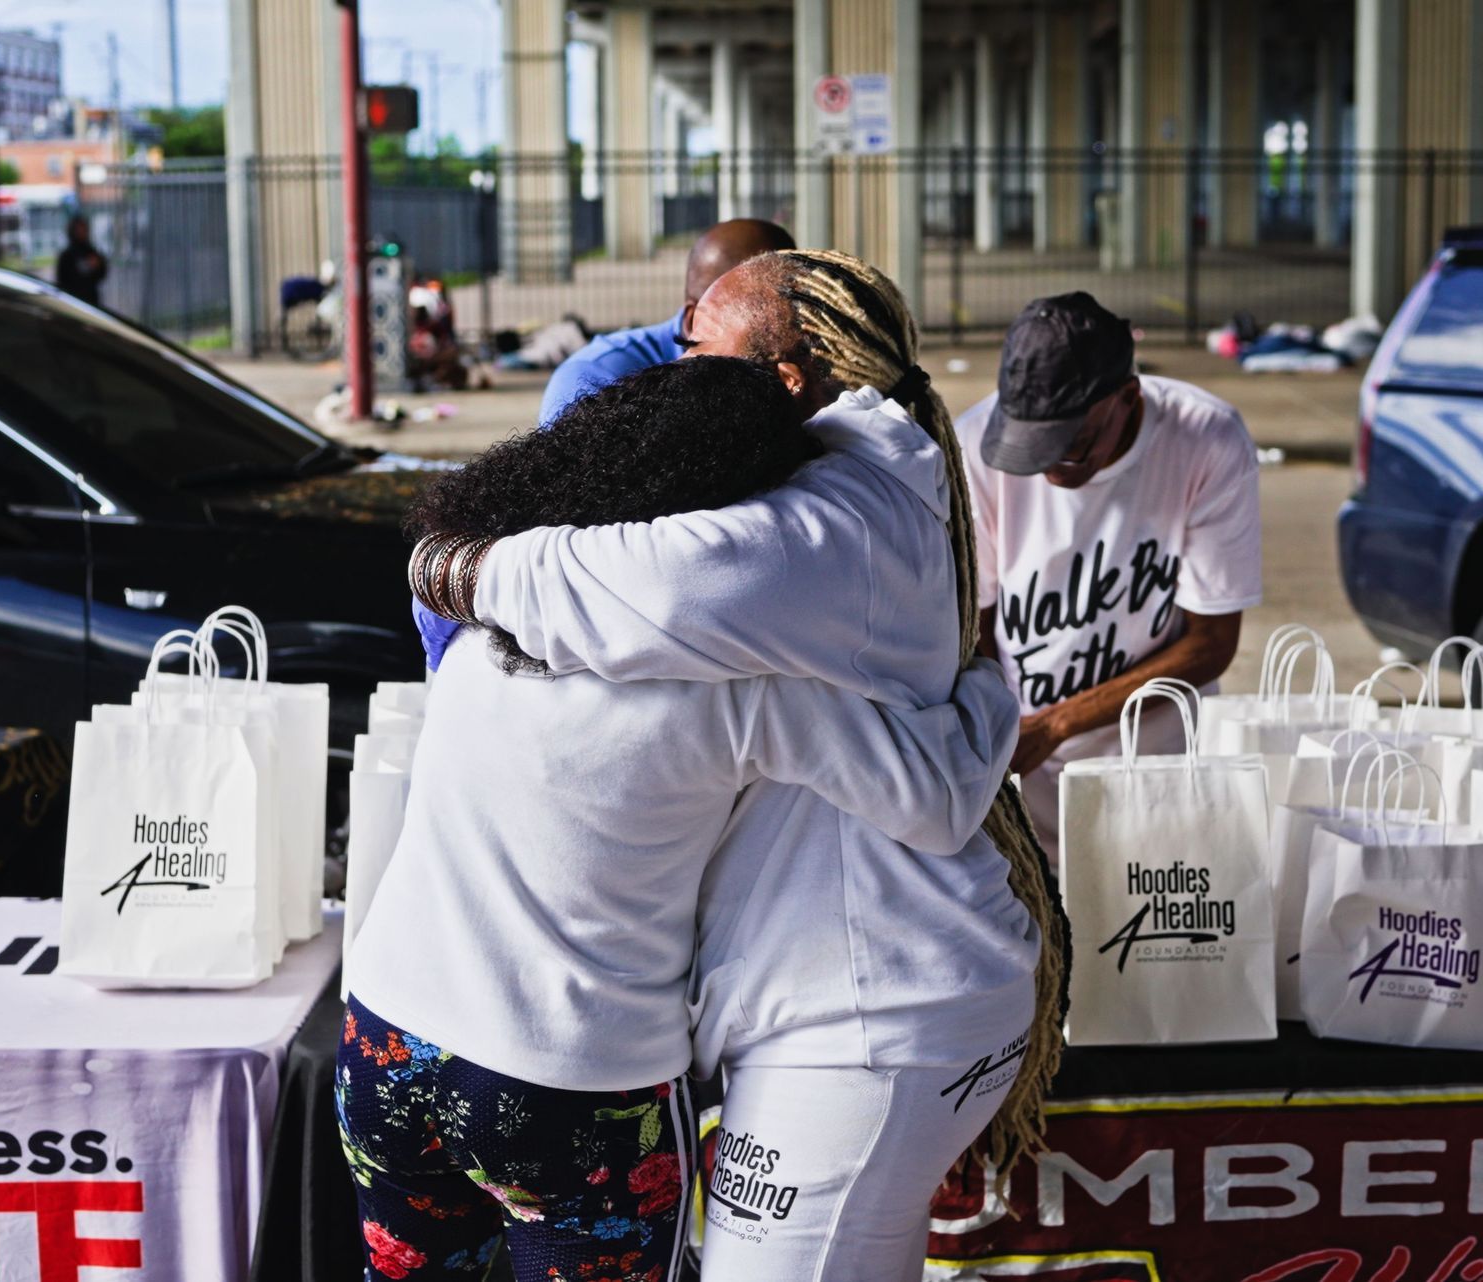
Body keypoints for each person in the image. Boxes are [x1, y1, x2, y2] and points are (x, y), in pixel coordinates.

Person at [428, 250, 1063, 1281]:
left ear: (789, 374)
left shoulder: (810, 531)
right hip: (905, 994)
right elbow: (950, 749)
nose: (672, 372)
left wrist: (451, 561)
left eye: (695, 349)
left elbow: (640, 585)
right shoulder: (877, 474)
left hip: (866, 1021)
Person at [951, 292, 1265, 848]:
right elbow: (975, 625)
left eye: (1070, 448)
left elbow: (1211, 642)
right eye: (1029, 451)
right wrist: (1000, 736)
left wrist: (1055, 724)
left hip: (1157, 769)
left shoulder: (1205, 439)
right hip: (1022, 763)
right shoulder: (974, 444)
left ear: (1127, 396)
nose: (1047, 470)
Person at [537, 218, 795, 425]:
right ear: (699, 321)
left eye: (795, 308)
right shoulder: (595, 381)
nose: (790, 331)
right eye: (764, 323)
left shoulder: (793, 368)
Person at [54, 215, 108, 305]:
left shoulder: (91, 251)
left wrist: (98, 265)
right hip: (73, 301)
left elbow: (101, 273)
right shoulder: (67, 255)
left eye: (84, 230)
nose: (81, 233)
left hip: (91, 300)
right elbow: (63, 281)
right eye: (78, 230)